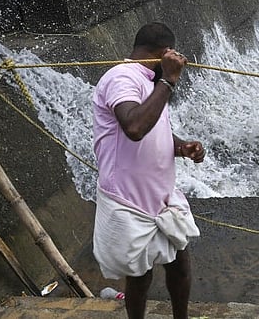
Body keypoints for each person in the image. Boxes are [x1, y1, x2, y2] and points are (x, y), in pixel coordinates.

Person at [92, 22, 205, 319]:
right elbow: (134, 126)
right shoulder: (121, 77)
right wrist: (168, 81)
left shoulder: (151, 82)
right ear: (166, 53)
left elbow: (156, 129)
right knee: (139, 276)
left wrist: (182, 147)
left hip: (161, 196)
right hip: (129, 200)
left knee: (180, 264)